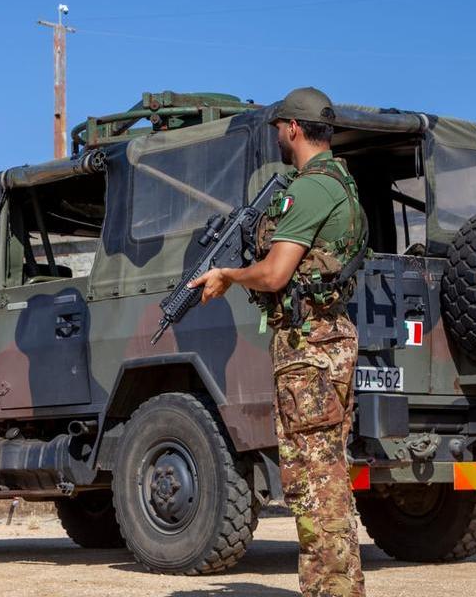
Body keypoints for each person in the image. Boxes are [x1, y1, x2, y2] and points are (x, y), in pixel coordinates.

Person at [188, 86, 367, 597]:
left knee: (313, 482)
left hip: (309, 350)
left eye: (278, 129)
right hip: (326, 341)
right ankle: (338, 587)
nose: (278, 137)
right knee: (327, 474)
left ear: (292, 128)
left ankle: (331, 590)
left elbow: (274, 273)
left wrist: (228, 275)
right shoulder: (342, 182)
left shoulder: (311, 189)